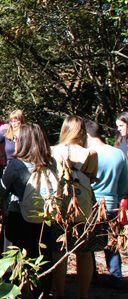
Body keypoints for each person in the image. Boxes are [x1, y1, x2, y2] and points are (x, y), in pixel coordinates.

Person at [0, 123, 55, 298]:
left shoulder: (16, 165)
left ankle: (13, 290)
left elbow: (1, 189)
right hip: (44, 216)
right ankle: (41, 290)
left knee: (14, 255)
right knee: (42, 254)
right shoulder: (50, 164)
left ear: (24, 141)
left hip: (18, 215)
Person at [51, 115, 98, 299]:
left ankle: (59, 292)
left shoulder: (53, 151)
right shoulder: (90, 154)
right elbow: (92, 177)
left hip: (59, 204)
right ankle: (83, 294)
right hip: (83, 205)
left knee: (59, 250)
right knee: (85, 252)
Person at [86, 119, 128, 288]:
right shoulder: (118, 153)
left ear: (88, 135)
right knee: (112, 241)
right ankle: (116, 276)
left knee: (87, 241)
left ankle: (91, 275)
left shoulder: (87, 154)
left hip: (91, 203)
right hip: (112, 202)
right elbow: (124, 183)